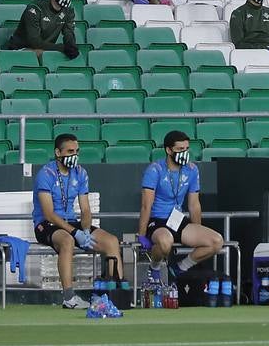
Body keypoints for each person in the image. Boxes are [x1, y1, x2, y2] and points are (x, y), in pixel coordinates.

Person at [32, 133, 126, 311]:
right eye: (69, 151)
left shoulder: (81, 173)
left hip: (71, 222)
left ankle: (116, 293)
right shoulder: (46, 174)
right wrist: (75, 233)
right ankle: (69, 297)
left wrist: (85, 230)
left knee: (112, 242)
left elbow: (85, 209)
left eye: (76, 151)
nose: (74, 155)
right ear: (58, 153)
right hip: (46, 224)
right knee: (67, 241)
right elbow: (49, 214)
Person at [138, 131, 223, 283]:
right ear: (168, 150)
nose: (184, 153)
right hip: (157, 221)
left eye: (186, 149)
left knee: (216, 241)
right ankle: (155, 266)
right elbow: (146, 205)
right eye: (179, 150)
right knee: (165, 242)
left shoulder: (192, 170)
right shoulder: (155, 170)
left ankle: (180, 268)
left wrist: (198, 231)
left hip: (178, 220)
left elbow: (194, 204)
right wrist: (142, 234)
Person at [5, 0, 79, 58]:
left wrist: (71, 46)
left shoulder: (68, 10)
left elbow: (68, 32)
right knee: (41, 53)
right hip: (20, 48)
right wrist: (62, 48)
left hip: (44, 49)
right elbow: (34, 42)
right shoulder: (34, 9)